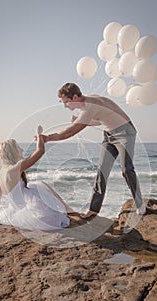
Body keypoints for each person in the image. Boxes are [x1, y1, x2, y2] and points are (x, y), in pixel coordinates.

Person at [41, 82, 146, 218]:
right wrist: (84, 121)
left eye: (66, 102)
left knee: (126, 168)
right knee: (101, 172)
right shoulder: (89, 102)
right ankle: (93, 209)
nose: (65, 106)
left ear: (74, 97)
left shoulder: (89, 108)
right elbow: (102, 118)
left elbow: (69, 133)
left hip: (125, 132)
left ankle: (140, 204)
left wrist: (47, 138)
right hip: (109, 135)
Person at [0, 125, 72, 231]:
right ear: (13, 151)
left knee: (37, 185)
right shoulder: (16, 167)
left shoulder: (0, 173)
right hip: (27, 208)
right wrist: (39, 136)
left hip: (15, 210)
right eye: (18, 147)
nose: (22, 149)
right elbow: (40, 151)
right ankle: (68, 210)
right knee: (41, 185)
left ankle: (68, 209)